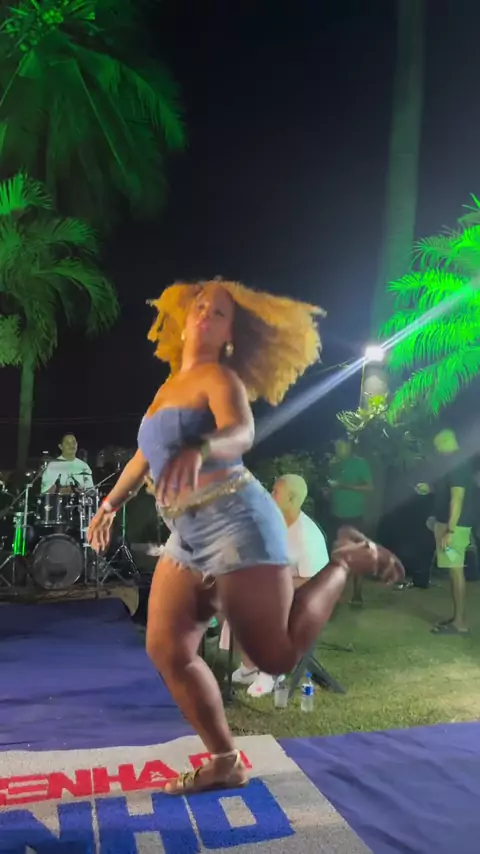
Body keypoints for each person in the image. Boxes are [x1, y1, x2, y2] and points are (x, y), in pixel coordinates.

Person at [87, 278, 403, 795]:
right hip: (187, 534)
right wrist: (109, 505)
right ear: (182, 319)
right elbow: (144, 457)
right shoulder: (168, 387)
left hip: (238, 524)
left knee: (276, 658)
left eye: (220, 313)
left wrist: (202, 447)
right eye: (201, 306)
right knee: (167, 648)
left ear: (231, 335)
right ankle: (225, 761)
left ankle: (347, 557)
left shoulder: (219, 378)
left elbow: (241, 432)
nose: (206, 315)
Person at [233, 473, 329, 696]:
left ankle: (271, 673)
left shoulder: (307, 534)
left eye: (276, 491)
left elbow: (311, 580)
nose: (270, 494)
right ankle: (249, 667)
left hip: (305, 597)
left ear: (292, 499)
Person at [416, 428, 474, 635]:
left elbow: (457, 497)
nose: (437, 449)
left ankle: (459, 623)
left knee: (456, 570)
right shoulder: (454, 463)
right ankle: (457, 618)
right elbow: (447, 490)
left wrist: (450, 529)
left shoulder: (457, 462)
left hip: (454, 527)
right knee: (453, 570)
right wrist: (429, 489)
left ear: (448, 441)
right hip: (449, 525)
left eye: (438, 445)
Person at [328, 438, 373, 606]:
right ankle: (334, 595)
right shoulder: (334, 464)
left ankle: (357, 595)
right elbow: (335, 487)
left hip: (354, 517)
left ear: (349, 446)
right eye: (336, 446)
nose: (337, 449)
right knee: (337, 556)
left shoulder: (359, 463)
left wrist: (344, 486)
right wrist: (329, 492)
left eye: (340, 446)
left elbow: (369, 487)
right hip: (336, 515)